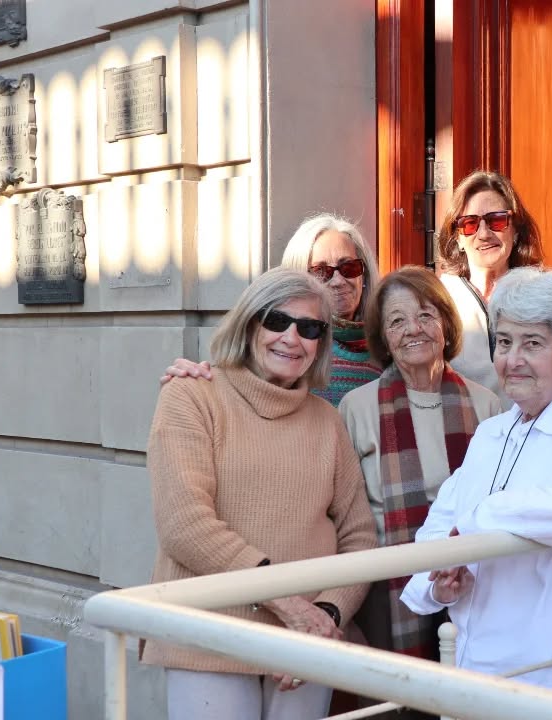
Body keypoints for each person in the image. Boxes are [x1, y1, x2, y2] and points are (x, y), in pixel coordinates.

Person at [400, 268, 552, 704]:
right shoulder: (491, 433)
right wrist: (439, 583)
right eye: (504, 342)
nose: (512, 360)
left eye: (532, 343)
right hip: (479, 673)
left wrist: (483, 519)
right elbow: (440, 529)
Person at [142, 267, 378, 720]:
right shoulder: (192, 396)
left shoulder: (326, 421)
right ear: (249, 324)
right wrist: (289, 608)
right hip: (210, 633)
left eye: (309, 328)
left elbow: (360, 537)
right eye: (277, 320)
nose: (292, 337)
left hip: (302, 646)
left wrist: (326, 616)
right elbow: (184, 524)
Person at [337, 267, 501, 677]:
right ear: (384, 339)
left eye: (426, 315)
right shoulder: (357, 407)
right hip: (387, 586)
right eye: (397, 321)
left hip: (472, 578)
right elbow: (345, 512)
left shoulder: (487, 405)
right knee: (397, 697)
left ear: (446, 325)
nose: (413, 329)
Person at [161, 213, 382, 406]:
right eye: (321, 271)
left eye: (348, 267)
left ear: (364, 275)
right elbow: (236, 386)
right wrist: (193, 385)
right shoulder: (280, 344)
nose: (338, 281)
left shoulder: (386, 346)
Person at [436, 171, 543, 404]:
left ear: (516, 230)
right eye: (470, 224)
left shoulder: (542, 296)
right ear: (458, 238)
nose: (484, 234)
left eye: (497, 220)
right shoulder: (438, 301)